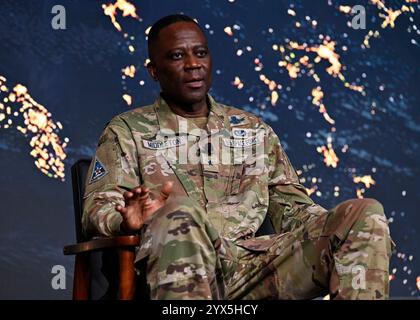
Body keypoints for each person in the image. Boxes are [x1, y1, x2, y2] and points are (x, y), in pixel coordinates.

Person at [82, 14, 394, 300]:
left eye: (200, 53)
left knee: (365, 213)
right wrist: (126, 221)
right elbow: (96, 211)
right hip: (172, 267)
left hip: (252, 268)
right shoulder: (127, 131)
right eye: (177, 56)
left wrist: (340, 229)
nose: (193, 64)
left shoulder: (254, 131)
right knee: (178, 214)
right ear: (153, 71)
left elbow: (295, 211)